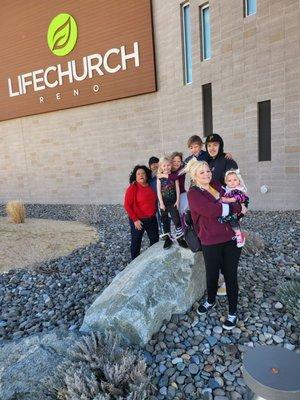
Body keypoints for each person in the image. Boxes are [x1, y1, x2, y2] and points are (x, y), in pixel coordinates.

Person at [185, 159, 247, 330]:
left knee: (230, 276)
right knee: (212, 275)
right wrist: (237, 208)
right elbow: (211, 211)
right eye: (202, 172)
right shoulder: (193, 193)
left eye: (208, 171)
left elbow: (235, 199)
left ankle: (232, 312)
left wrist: (240, 208)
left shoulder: (216, 185)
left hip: (231, 239)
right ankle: (210, 300)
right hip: (210, 240)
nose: (207, 174)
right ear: (194, 176)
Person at [124, 165, 159, 260]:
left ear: (147, 175)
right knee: (136, 243)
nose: (141, 175)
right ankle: (134, 263)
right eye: (138, 174)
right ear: (135, 177)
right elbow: (127, 205)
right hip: (138, 221)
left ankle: (153, 259)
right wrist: (135, 220)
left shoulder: (152, 186)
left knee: (155, 241)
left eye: (143, 173)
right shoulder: (133, 188)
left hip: (152, 219)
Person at [157, 157, 188, 249]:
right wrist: (161, 203)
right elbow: (158, 191)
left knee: (176, 219)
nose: (166, 167)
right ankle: (168, 239)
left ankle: (180, 238)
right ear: (161, 167)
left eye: (168, 165)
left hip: (173, 202)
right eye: (164, 166)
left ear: (171, 165)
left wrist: (177, 201)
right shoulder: (159, 177)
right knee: (164, 219)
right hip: (164, 203)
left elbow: (177, 189)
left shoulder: (174, 176)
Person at [219, 169, 249, 248]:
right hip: (231, 209)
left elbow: (240, 198)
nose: (232, 182)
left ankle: (239, 235)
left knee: (232, 220)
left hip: (238, 209)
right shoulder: (227, 190)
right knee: (228, 220)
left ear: (239, 181)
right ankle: (232, 233)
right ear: (226, 182)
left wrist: (228, 199)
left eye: (235, 180)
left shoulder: (239, 190)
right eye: (229, 180)